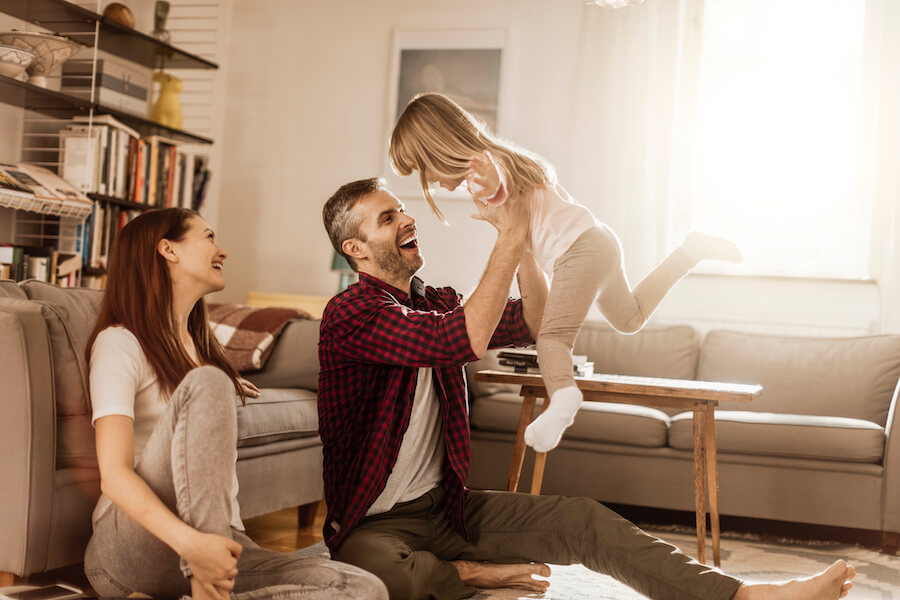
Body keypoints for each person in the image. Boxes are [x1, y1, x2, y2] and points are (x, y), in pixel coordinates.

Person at [318, 177, 856, 600]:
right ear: (356, 249)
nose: (408, 218)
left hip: (445, 510)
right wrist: (506, 237)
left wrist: (524, 235)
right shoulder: (349, 313)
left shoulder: (433, 299)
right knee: (383, 581)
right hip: (375, 525)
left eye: (401, 209)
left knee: (584, 520)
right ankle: (470, 575)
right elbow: (462, 338)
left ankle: (748, 596)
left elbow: (533, 318)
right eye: (389, 218)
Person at [389, 92, 744, 453]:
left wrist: (483, 179)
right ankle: (689, 253)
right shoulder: (502, 157)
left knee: (553, 339)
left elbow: (495, 182)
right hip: (598, 240)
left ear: (439, 148)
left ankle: (563, 398)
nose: (428, 180)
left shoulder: (484, 168)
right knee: (630, 318)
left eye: (423, 167)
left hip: (578, 249)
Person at [83, 208, 387, 600]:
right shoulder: (119, 342)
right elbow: (114, 475)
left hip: (222, 542)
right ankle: (202, 580)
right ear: (167, 249)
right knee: (209, 380)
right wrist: (194, 548)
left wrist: (219, 387)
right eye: (208, 237)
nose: (221, 250)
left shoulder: (202, 351)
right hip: (133, 550)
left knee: (362, 588)